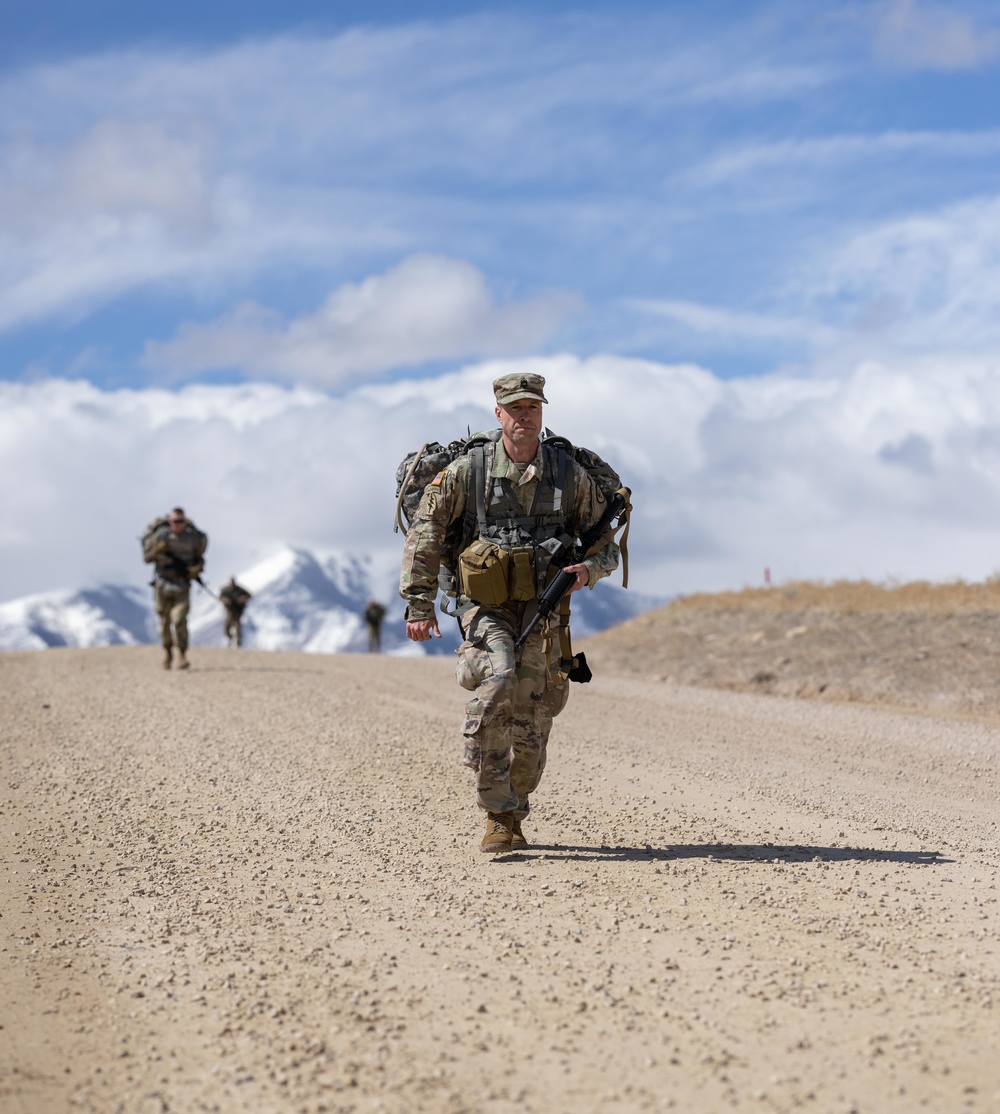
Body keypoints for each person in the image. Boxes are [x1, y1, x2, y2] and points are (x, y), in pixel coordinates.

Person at [400, 373, 620, 853]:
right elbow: (426, 532)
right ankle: (496, 813)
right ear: (498, 414)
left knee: (535, 717)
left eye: (533, 408)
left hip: (545, 609)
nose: (524, 417)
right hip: (484, 605)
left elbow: (607, 548)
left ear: (542, 414)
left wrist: (588, 570)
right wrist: (418, 603)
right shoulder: (469, 472)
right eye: (515, 409)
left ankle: (515, 809)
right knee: (498, 677)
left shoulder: (567, 475)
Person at [142, 507, 208, 670]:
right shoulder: (161, 535)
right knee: (164, 621)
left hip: (182, 585)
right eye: (174, 521)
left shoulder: (192, 538)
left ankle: (182, 655)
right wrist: (157, 550)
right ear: (169, 521)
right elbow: (147, 558)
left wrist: (195, 570)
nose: (178, 525)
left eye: (181, 521)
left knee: (179, 619)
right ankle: (168, 653)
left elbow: (200, 560)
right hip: (163, 584)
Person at [219, 576, 252, 647]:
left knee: (237, 627)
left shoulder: (239, 589)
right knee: (227, 626)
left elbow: (249, 595)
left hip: (237, 611)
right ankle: (229, 639)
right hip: (229, 611)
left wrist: (243, 598)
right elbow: (220, 597)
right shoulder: (225, 590)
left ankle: (238, 643)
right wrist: (225, 600)